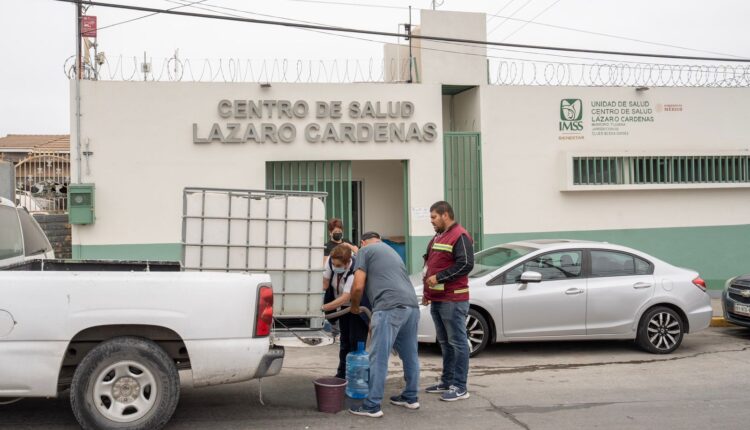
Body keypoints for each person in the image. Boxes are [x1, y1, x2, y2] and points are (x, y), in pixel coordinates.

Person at [349, 231, 421, 418]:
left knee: (378, 357)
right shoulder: (391, 251)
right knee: (410, 354)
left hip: (389, 307)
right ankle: (411, 397)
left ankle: (372, 405)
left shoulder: (365, 251)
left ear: (363, 242)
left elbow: (357, 286)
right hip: (411, 306)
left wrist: (355, 307)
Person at [422, 201, 474, 402]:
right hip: (438, 299)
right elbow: (430, 264)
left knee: (458, 343)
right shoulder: (439, 236)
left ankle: (460, 387)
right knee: (445, 342)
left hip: (453, 299)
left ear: (445, 215)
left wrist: (440, 277)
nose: (432, 221)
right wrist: (428, 292)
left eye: (434, 217)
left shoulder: (460, 235)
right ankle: (447, 381)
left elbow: (466, 264)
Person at [320, 244, 369, 380]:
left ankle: (357, 376)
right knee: (344, 341)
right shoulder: (331, 261)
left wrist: (322, 308)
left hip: (357, 307)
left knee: (356, 343)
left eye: (339, 265)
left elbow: (345, 298)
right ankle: (342, 374)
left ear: (347, 263)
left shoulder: (355, 270)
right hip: (342, 308)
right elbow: (324, 284)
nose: (336, 267)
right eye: (334, 264)